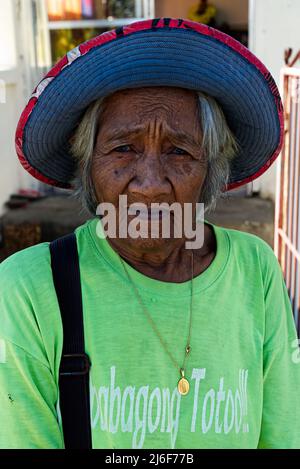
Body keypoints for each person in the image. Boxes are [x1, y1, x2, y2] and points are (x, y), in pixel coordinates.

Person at [1, 17, 299, 449]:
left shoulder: (256, 270)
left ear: (210, 172)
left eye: (179, 151)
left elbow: (283, 436)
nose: (150, 183)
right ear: (88, 164)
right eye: (123, 148)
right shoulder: (27, 290)